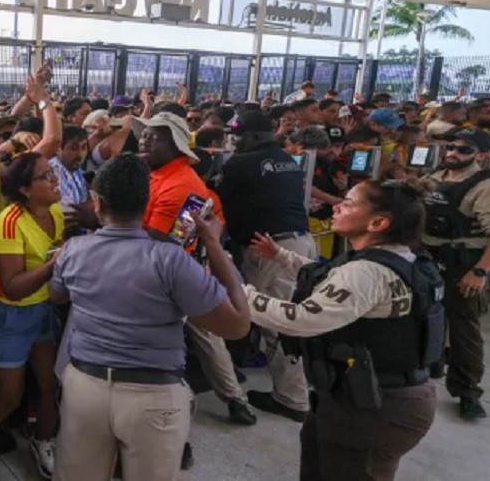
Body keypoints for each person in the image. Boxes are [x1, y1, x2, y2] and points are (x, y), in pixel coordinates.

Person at [50, 152, 251, 481]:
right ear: (146, 206)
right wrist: (213, 244)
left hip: (85, 388)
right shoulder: (171, 261)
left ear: (97, 203)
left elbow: (56, 294)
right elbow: (238, 325)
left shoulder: (74, 251)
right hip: (152, 395)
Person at [246, 179, 444, 480]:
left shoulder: (366, 273)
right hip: (366, 397)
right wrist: (282, 256)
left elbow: (300, 319)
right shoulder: (399, 257)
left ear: (378, 222)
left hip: (375, 408)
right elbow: (328, 278)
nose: (336, 206)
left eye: (349, 203)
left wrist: (239, 294)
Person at [136, 112, 257, 427]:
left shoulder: (181, 186)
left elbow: (160, 242)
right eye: (144, 134)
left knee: (178, 345)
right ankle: (234, 399)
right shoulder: (158, 175)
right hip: (178, 271)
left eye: (154, 137)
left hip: (170, 277)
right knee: (205, 338)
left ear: (177, 145)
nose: (144, 141)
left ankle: (180, 417)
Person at [0, 152, 63, 481]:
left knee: (51, 386)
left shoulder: (56, 211)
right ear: (24, 190)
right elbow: (14, 286)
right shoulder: (7, 223)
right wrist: (57, 263)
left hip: (41, 308)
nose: (55, 180)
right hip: (7, 315)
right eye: (46, 176)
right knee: (8, 396)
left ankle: (42, 439)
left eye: (53, 172)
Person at [215, 111, 315, 422]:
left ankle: (292, 399)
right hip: (299, 242)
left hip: (270, 249)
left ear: (255, 136)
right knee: (289, 315)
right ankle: (297, 387)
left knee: (276, 322)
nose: (234, 142)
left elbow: (216, 200)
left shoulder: (241, 164)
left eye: (238, 136)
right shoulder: (287, 159)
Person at [419, 128, 490, 419]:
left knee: (464, 333)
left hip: (463, 267)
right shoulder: (435, 176)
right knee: (423, 319)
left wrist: (479, 271)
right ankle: (429, 364)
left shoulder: (489, 187)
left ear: (481, 155)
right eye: (451, 146)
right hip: (427, 262)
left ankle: (467, 391)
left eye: (464, 150)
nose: (453, 152)